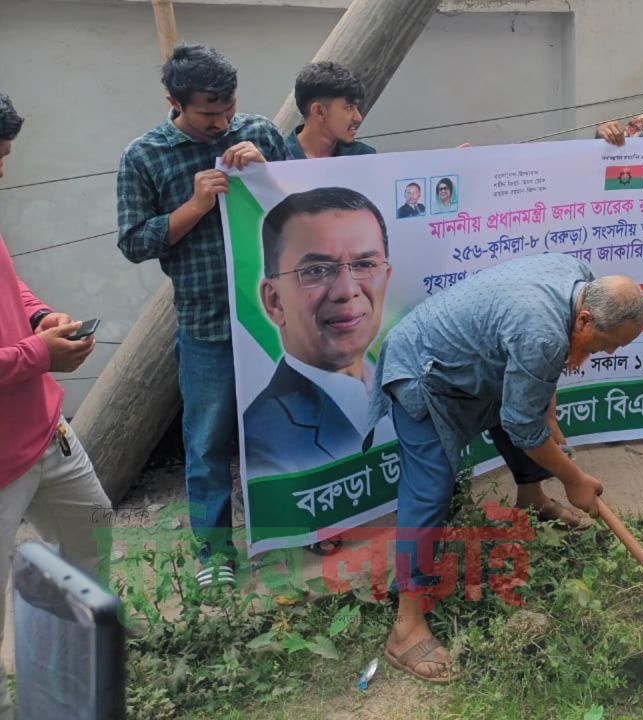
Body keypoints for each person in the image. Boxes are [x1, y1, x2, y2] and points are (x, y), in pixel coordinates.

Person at [371, 254, 643, 683]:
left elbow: (537, 388)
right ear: (586, 320)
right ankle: (405, 628)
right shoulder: (542, 333)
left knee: (529, 414)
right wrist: (575, 481)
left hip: (473, 362)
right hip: (423, 371)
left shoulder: (579, 280)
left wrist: (548, 409)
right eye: (608, 343)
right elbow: (522, 424)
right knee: (431, 491)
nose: (608, 352)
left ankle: (531, 499)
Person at [116, 43, 288, 588]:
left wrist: (266, 176)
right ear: (174, 102)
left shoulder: (258, 134)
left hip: (273, 318)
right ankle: (215, 553)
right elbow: (134, 241)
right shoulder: (145, 156)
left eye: (228, 108)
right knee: (208, 440)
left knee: (283, 426)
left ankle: (292, 525)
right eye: (208, 114)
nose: (222, 122)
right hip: (207, 324)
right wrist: (193, 207)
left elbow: (305, 208)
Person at [0, 92, 113, 720]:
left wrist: (42, 316)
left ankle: (86, 653)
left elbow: (8, 281)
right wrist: (38, 354)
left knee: (92, 533)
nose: (1, 171)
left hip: (47, 433)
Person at [245, 187, 393, 478]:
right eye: (317, 270)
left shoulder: (404, 383)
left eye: (365, 264)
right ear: (274, 301)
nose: (347, 291)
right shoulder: (266, 443)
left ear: (386, 277)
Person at [285, 61, 376, 160]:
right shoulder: (276, 158)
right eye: (349, 107)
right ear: (319, 111)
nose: (358, 118)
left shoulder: (363, 156)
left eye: (356, 107)